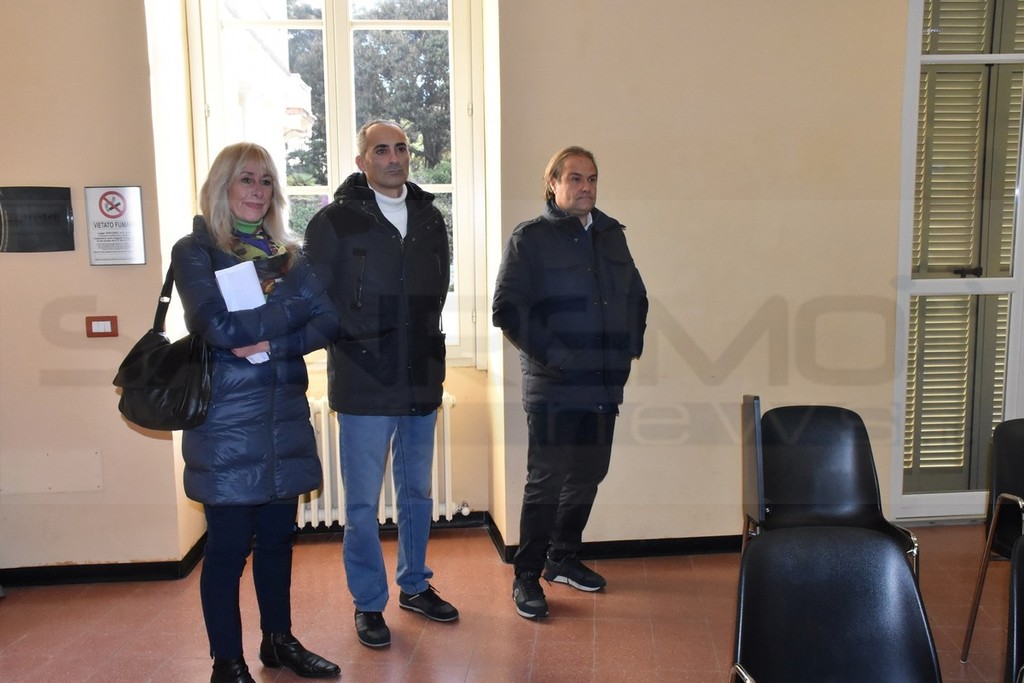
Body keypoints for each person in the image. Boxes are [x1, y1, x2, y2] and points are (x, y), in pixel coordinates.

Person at [171, 142, 342, 683]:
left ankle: (278, 641)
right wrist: (291, 311)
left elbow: (328, 320)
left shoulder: (290, 254)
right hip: (226, 423)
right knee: (226, 551)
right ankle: (227, 661)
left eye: (266, 181)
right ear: (222, 187)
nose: (258, 190)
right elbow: (217, 327)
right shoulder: (196, 251)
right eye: (246, 179)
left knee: (278, 542)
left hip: (283, 417)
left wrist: (271, 341)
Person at [304, 120, 457, 648]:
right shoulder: (335, 221)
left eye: (401, 149)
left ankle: (414, 585)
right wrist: (359, 339)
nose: (394, 158)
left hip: (420, 378)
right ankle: (368, 603)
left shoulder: (431, 217)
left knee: (417, 494)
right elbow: (318, 298)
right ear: (361, 160)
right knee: (362, 505)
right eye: (381, 150)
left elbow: (437, 290)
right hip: (364, 379)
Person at [492, 145, 648, 619]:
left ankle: (561, 558)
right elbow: (507, 309)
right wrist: (558, 357)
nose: (586, 187)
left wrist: (628, 347)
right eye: (575, 178)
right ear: (553, 183)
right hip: (554, 386)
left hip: (603, 383)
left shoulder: (610, 234)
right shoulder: (531, 238)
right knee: (546, 482)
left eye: (592, 178)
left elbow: (636, 296)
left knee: (588, 474)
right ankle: (526, 575)